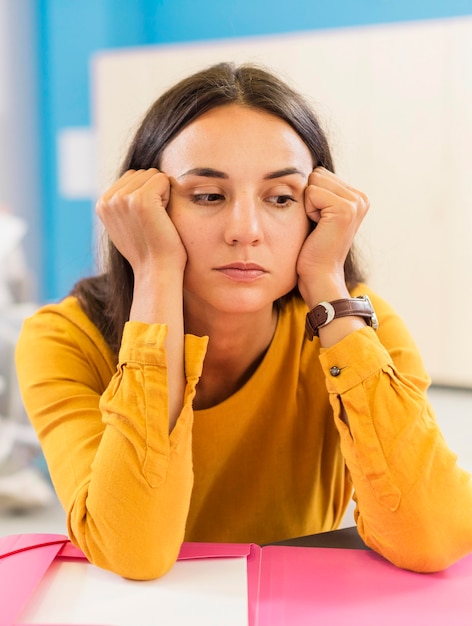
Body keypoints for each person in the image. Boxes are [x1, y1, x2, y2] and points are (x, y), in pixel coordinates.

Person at [16, 62, 472, 581]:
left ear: (316, 212)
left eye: (281, 198)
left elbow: (433, 536)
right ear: (150, 208)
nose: (245, 231)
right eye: (208, 196)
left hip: (298, 606)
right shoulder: (64, 338)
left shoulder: (354, 324)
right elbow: (134, 551)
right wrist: (156, 269)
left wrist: (325, 277)